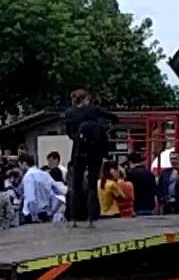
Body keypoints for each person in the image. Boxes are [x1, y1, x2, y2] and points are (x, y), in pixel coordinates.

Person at [64, 89, 118, 226]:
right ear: (87, 98)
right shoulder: (94, 110)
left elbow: (69, 134)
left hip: (78, 150)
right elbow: (114, 117)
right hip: (95, 150)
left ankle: (74, 218)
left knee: (76, 185)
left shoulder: (70, 113)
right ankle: (91, 218)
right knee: (93, 184)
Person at [19, 153, 58, 224]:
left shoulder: (28, 176)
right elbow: (55, 191)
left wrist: (34, 215)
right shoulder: (45, 174)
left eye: (20, 164)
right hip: (45, 210)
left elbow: (30, 197)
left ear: (24, 163)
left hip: (32, 214)